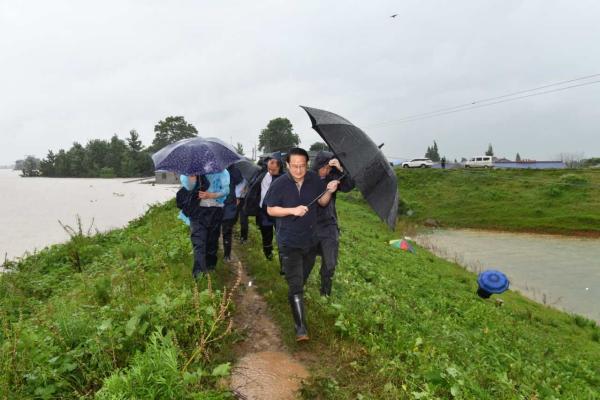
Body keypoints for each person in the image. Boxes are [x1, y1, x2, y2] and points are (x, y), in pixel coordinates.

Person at [264, 147, 339, 341]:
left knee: (301, 278)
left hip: (310, 241)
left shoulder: (314, 179)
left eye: (302, 166)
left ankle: (294, 295)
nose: (298, 170)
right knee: (296, 284)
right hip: (288, 240)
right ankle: (301, 329)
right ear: (287, 165)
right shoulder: (280, 184)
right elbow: (271, 210)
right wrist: (292, 210)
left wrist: (330, 191)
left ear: (307, 165)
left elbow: (322, 202)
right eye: (295, 166)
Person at [310, 151, 355, 296]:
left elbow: (348, 186)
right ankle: (298, 286)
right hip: (310, 225)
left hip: (329, 225)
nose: (327, 170)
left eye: (330, 167)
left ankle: (325, 293)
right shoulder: (308, 178)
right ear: (318, 166)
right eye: (325, 167)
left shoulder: (333, 176)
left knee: (330, 264)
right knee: (306, 260)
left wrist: (341, 169)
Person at [188, 169, 229, 279]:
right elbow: (189, 188)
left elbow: (226, 190)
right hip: (197, 211)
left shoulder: (223, 172)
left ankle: (211, 267)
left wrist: (211, 195)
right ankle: (198, 274)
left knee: (212, 240)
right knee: (198, 241)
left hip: (215, 210)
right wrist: (192, 179)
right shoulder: (194, 170)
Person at [243, 153, 283, 260]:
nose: (270, 164)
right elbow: (253, 189)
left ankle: (284, 263)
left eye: (273, 162)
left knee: (281, 237)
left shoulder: (284, 179)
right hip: (263, 212)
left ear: (279, 165)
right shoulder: (262, 175)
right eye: (270, 162)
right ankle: (268, 256)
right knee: (266, 235)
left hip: (279, 213)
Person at [220, 164, 244, 261]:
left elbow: (240, 181)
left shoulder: (233, 170)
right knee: (213, 229)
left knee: (227, 229)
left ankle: (227, 254)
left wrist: (238, 196)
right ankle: (212, 254)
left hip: (229, 203)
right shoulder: (213, 168)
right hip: (214, 203)